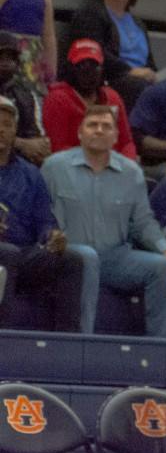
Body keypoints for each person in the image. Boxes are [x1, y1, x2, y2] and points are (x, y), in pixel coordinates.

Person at [43, 105, 166, 334]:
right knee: (87, 257)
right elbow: (42, 213)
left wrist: (165, 249)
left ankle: (161, 350)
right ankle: (83, 347)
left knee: (162, 267)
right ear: (80, 133)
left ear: (115, 136)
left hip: (115, 257)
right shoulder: (55, 167)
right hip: (70, 256)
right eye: (92, 125)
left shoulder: (131, 172)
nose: (99, 130)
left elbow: (143, 221)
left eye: (106, 126)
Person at [0, 95, 86, 330]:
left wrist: (52, 236)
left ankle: (67, 345)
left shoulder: (31, 174)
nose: (1, 130)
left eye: (7, 125)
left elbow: (44, 221)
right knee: (6, 254)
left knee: (71, 260)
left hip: (24, 255)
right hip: (4, 254)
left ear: (15, 131)